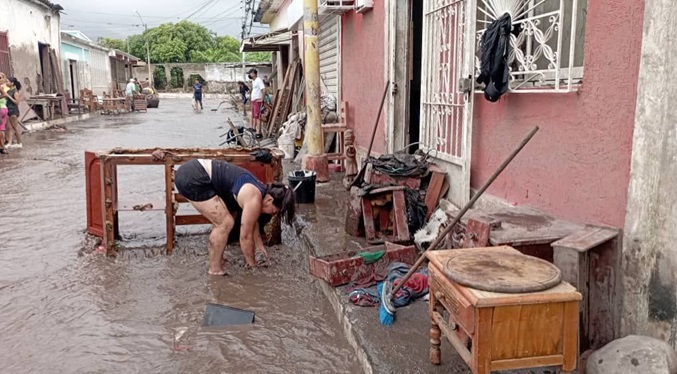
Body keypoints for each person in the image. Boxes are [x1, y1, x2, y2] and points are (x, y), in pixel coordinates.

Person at [168, 154, 296, 275]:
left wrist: (259, 247)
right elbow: (245, 237)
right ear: (269, 200)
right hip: (193, 176)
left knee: (227, 219)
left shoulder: (260, 190)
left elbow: (252, 224)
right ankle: (215, 270)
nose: (272, 215)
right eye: (273, 211)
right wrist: (252, 266)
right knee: (224, 223)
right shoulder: (254, 197)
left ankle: (219, 260)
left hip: (194, 172)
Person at [3, 77, 23, 149]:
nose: (6, 83)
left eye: (7, 82)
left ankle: (19, 143)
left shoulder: (15, 92)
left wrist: (8, 96)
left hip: (13, 110)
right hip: (9, 110)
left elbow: (17, 102)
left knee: (16, 127)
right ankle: (10, 142)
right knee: (10, 127)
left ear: (12, 83)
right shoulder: (9, 91)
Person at [248, 68, 265, 139]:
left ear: (254, 73)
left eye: (250, 73)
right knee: (254, 116)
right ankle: (254, 128)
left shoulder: (258, 80)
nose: (250, 75)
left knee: (258, 116)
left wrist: (262, 99)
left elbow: (263, 89)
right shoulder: (253, 81)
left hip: (257, 100)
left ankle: (259, 133)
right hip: (253, 100)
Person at [0, 74, 9, 154]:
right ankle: (3, 147)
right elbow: (5, 95)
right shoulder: (4, 87)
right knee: (2, 129)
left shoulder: (2, 87)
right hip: (4, 108)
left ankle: (3, 147)